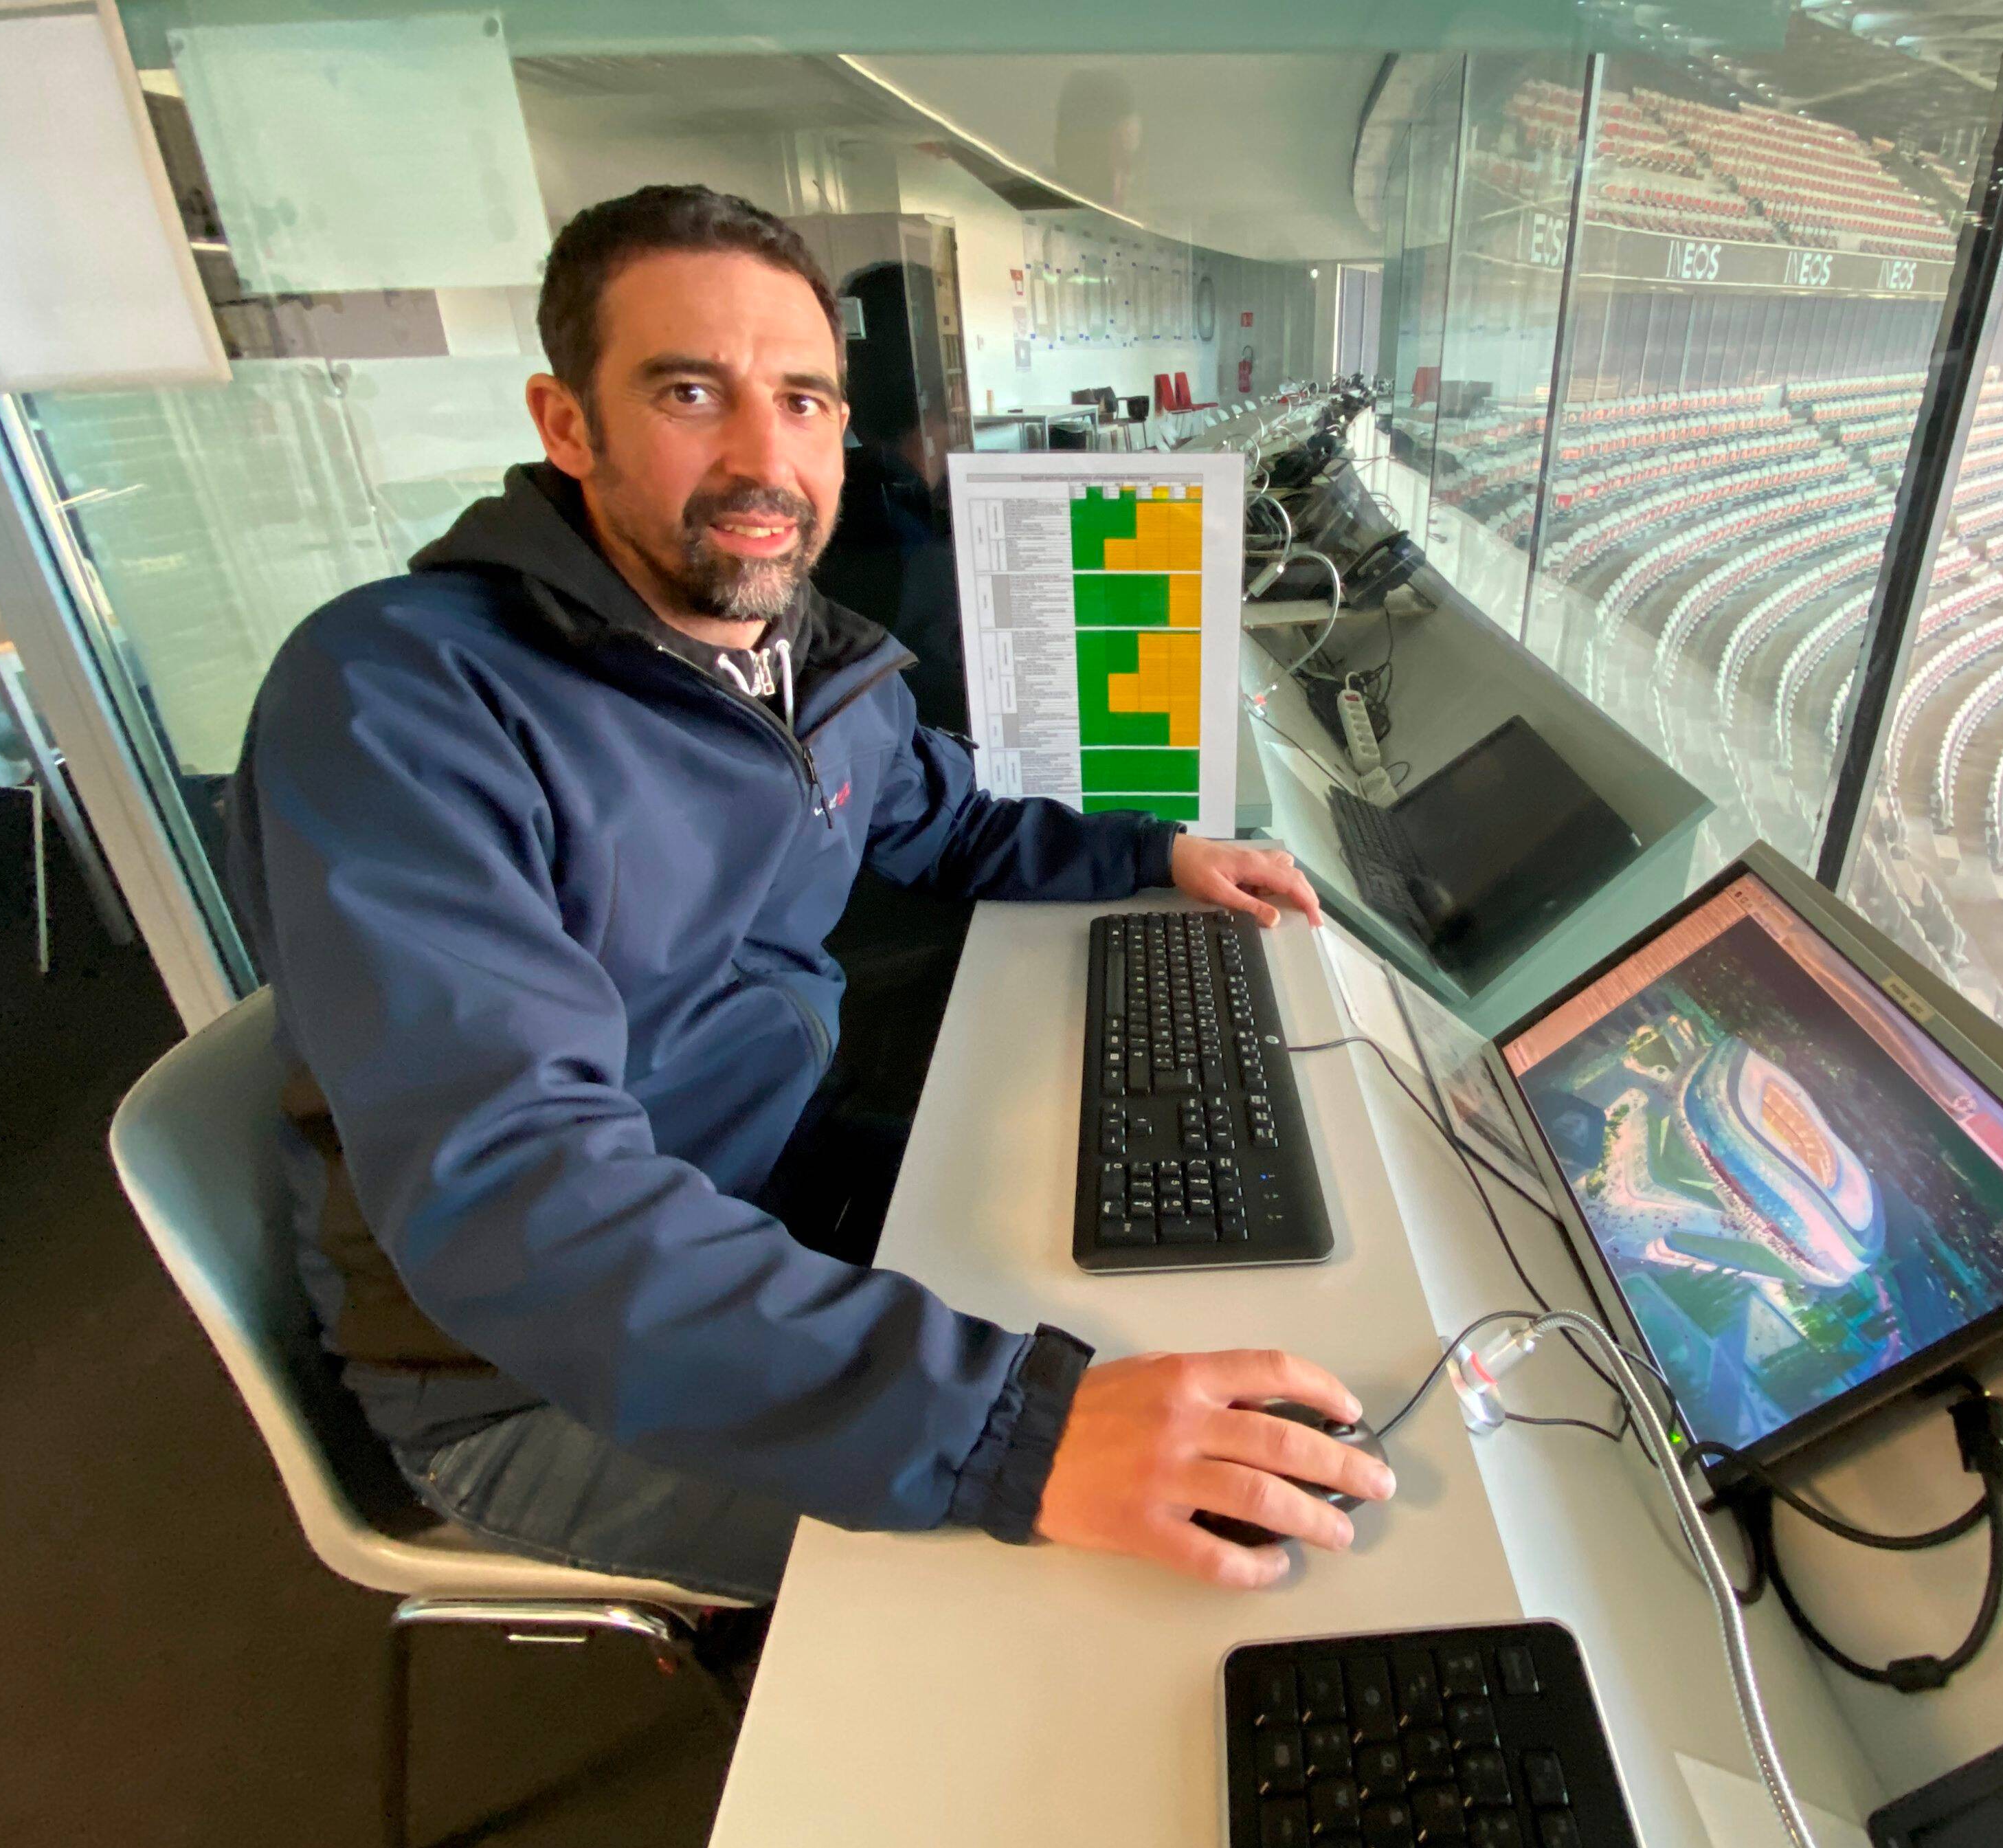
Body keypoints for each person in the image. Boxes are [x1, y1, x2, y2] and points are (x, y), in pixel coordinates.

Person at [226, 185, 1391, 1605]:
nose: (760, 457)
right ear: (566, 423)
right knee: (1081, 1584)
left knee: (1185, 1291)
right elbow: (518, 1195)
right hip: (526, 1372)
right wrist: (1014, 1435)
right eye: (689, 392)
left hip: (773, 1199)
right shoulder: (399, 699)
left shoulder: (801, 658)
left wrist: (1149, 857)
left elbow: (943, 825)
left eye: (801, 399)